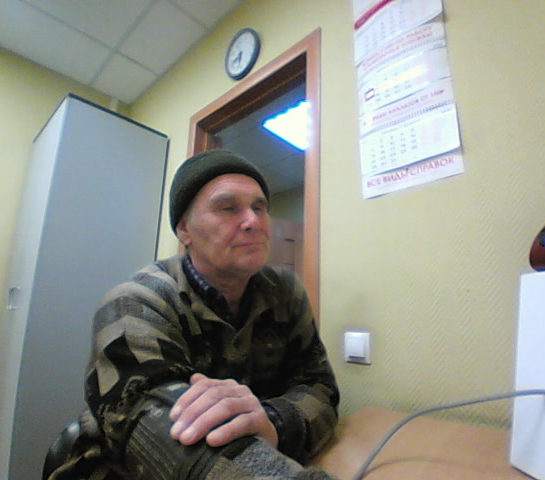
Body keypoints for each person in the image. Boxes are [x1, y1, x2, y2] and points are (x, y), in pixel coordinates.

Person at [49, 150, 339, 480]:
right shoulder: (136, 302)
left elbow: (319, 387)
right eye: (228, 208)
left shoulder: (286, 293)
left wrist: (274, 422)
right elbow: (167, 431)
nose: (254, 221)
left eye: (259, 207)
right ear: (185, 229)